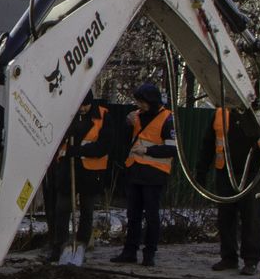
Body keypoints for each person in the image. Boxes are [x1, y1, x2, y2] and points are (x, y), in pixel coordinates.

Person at [43, 92, 113, 262]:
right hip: (68, 170)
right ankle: (58, 246)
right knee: (62, 209)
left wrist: (77, 151)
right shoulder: (67, 113)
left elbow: (104, 146)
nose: (82, 109)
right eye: (79, 106)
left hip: (91, 172)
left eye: (85, 106)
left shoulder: (103, 115)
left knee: (87, 211)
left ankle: (81, 246)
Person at [112, 81, 174, 267]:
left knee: (152, 216)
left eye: (142, 102)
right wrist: (127, 124)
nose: (139, 106)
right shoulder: (137, 117)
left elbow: (172, 150)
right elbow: (125, 141)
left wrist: (147, 152)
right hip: (135, 172)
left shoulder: (167, 119)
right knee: (133, 215)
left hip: (154, 175)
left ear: (152, 101)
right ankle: (129, 251)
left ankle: (149, 254)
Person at [201, 104, 260, 275]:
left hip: (251, 173)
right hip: (224, 172)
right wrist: (201, 171)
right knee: (225, 217)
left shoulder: (257, 113)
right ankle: (228, 257)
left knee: (251, 217)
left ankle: (251, 260)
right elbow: (209, 142)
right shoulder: (220, 113)